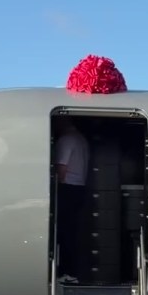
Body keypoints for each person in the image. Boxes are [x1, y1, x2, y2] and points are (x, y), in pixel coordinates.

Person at [53, 118, 89, 283]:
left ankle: (66, 272)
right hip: (80, 188)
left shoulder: (66, 140)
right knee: (73, 232)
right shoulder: (81, 139)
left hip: (67, 188)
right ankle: (73, 271)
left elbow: (61, 169)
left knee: (63, 232)